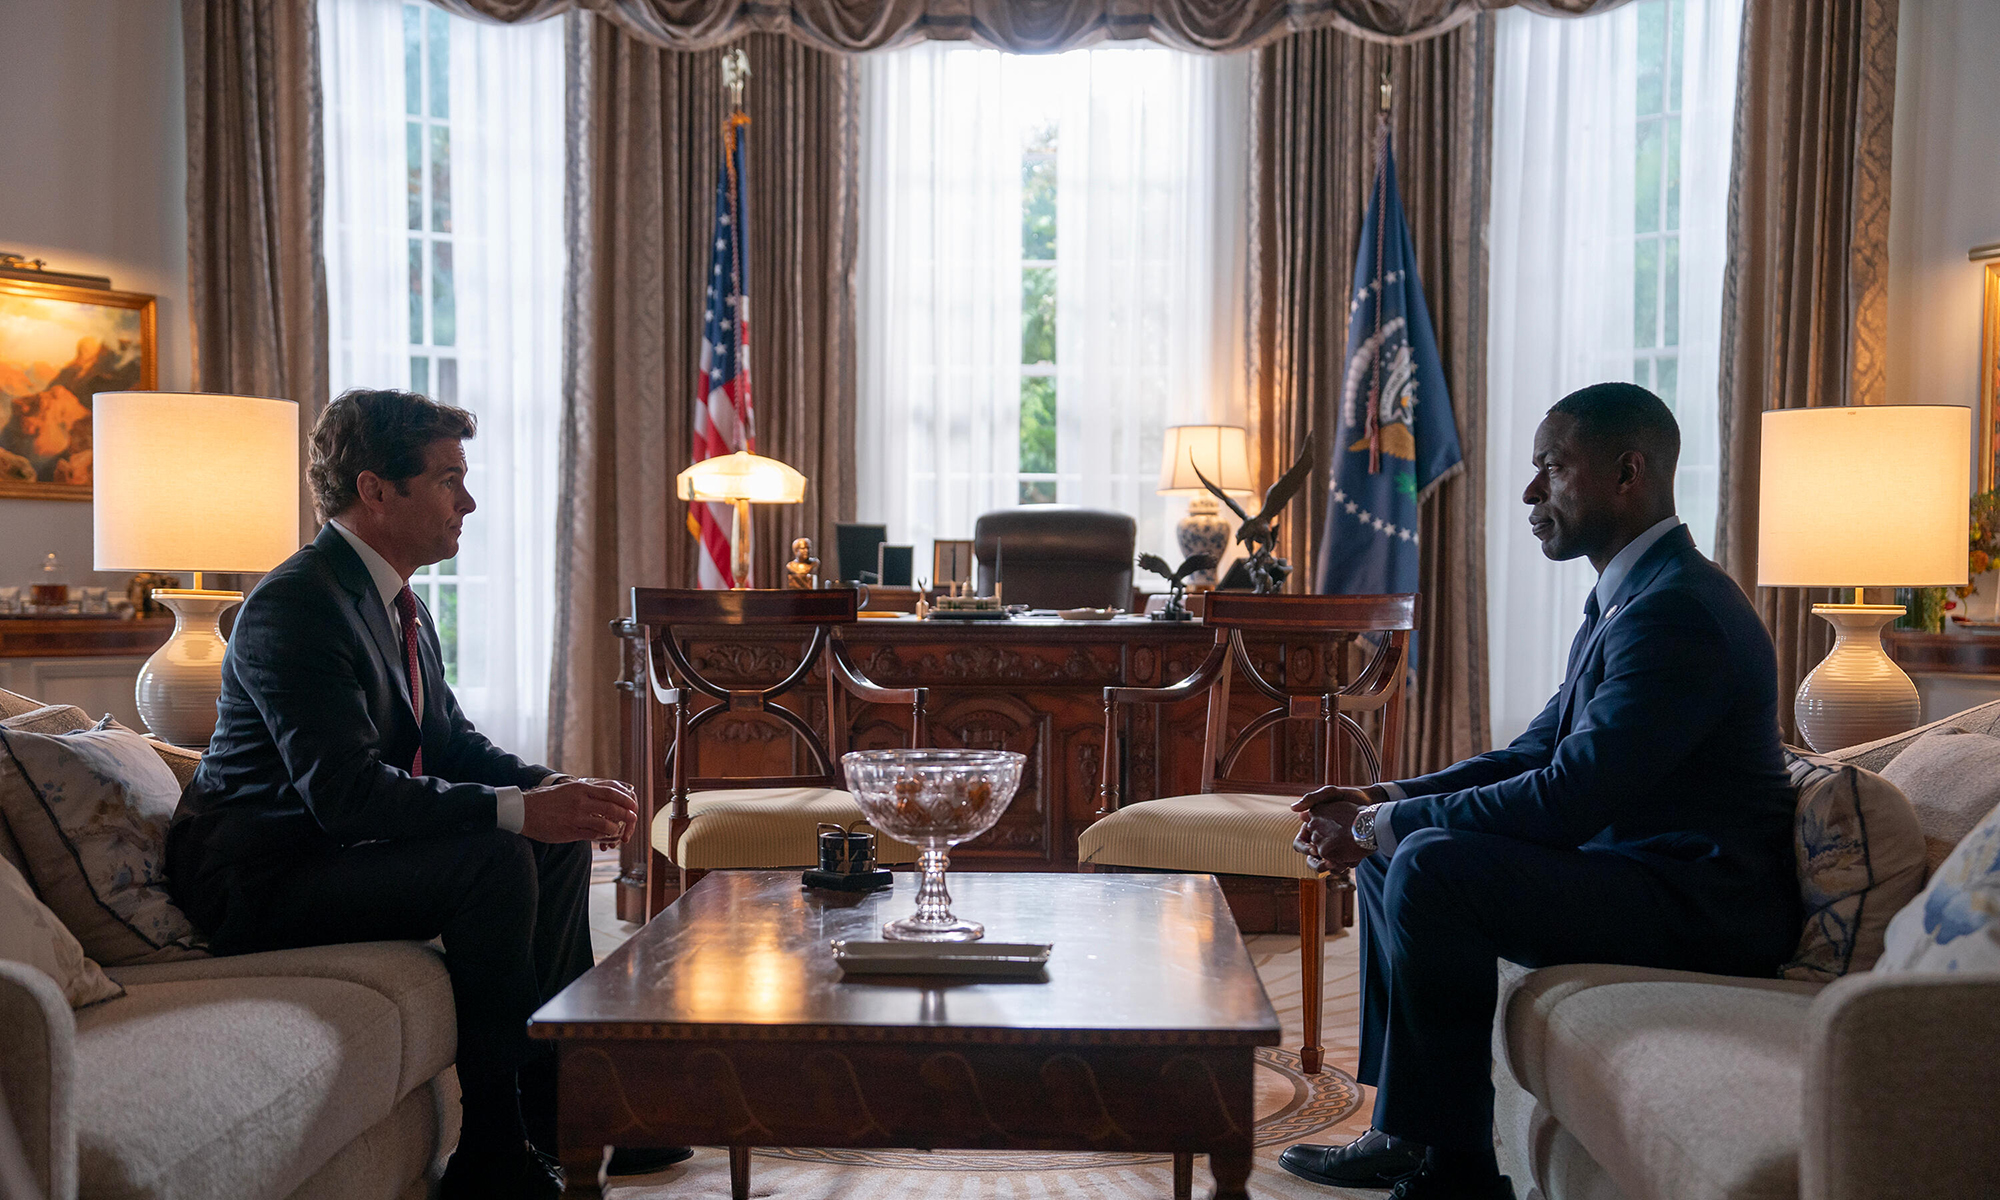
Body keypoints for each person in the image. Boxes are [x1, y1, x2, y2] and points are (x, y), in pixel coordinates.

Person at [1282, 382, 1800, 1199]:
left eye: (1551, 467)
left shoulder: (1680, 614)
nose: (1529, 492)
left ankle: (1457, 1177)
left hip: (1701, 904)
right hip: (1646, 873)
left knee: (1429, 864)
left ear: (1628, 473)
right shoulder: (1633, 596)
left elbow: (1566, 798)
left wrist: (1385, 822)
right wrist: (1385, 797)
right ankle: (1406, 1134)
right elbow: (1534, 751)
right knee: (1400, 852)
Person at [165, 389, 656, 1200]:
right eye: (447, 479)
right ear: (375, 489)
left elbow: (454, 743)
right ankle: (491, 1158)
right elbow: (347, 795)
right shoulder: (294, 605)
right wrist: (520, 812)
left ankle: (561, 1115)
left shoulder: (399, 600)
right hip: (259, 880)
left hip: (331, 853)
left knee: (552, 843)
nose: (468, 501)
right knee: (497, 858)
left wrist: (549, 790)